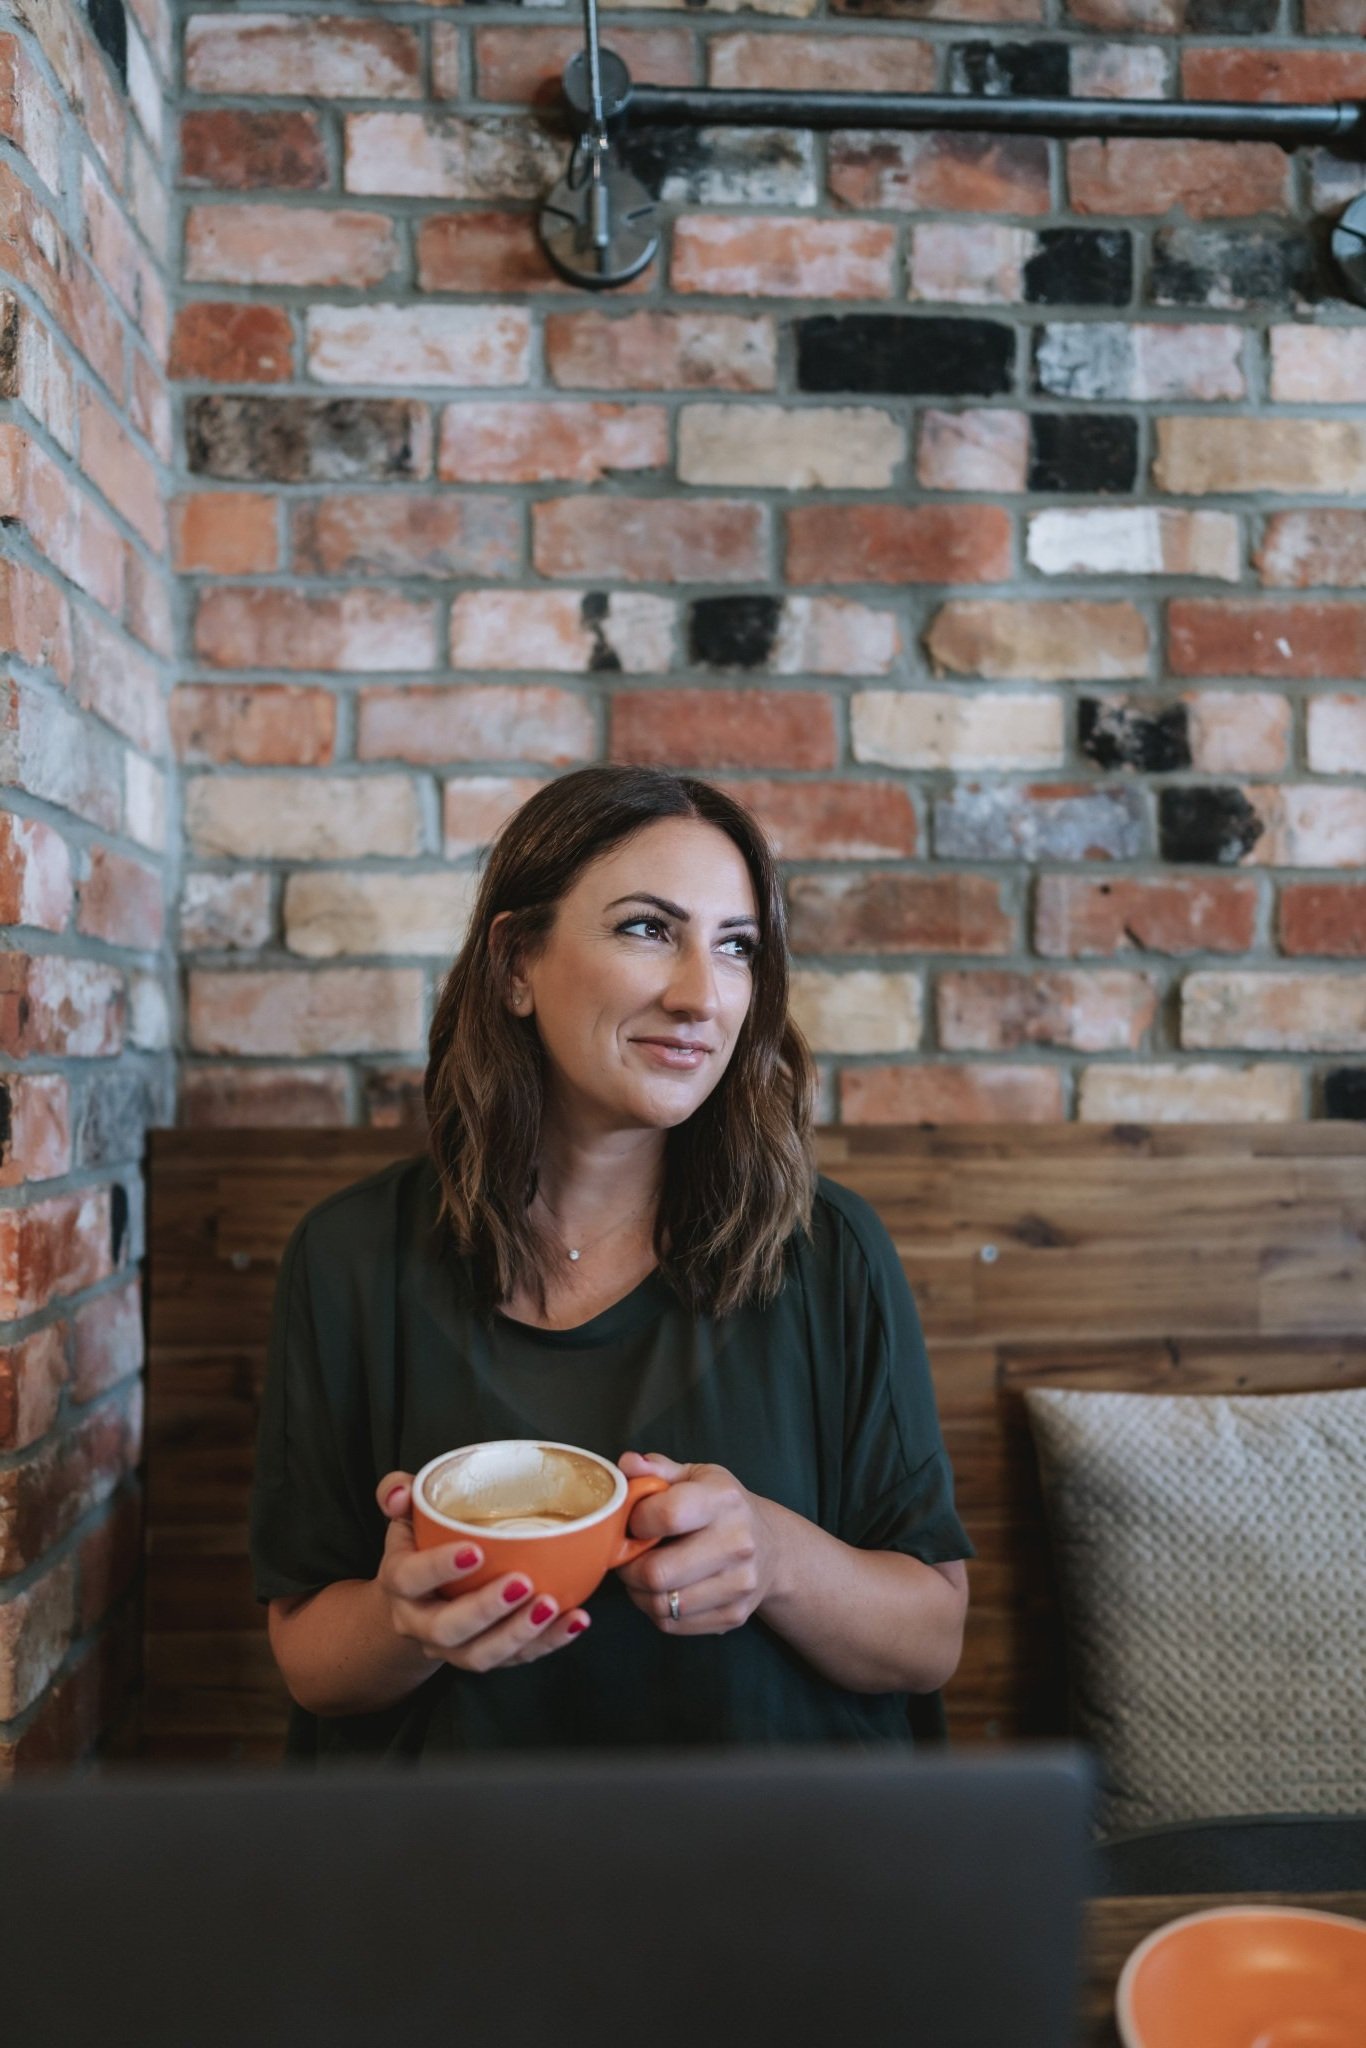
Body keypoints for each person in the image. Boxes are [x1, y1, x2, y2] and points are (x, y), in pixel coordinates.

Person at [250, 766, 972, 1763]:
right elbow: (310, 1659)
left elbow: (931, 1635)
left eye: (736, 946)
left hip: (780, 1865)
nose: (699, 994)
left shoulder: (827, 1250)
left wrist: (771, 1554)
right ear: (514, 961)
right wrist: (401, 1618)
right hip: (458, 1862)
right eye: (646, 928)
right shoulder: (350, 1256)